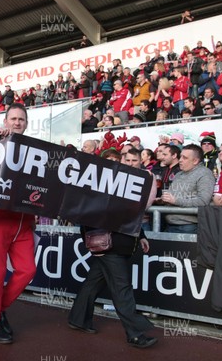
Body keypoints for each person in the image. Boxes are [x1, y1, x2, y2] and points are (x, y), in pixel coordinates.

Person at [68, 149, 158, 349]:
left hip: (121, 243)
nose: (130, 163)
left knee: (93, 282)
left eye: (134, 160)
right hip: (107, 245)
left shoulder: (127, 183)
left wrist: (141, 235)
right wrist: (92, 242)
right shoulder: (92, 184)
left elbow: (132, 216)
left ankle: (78, 319)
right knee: (122, 288)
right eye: (127, 160)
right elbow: (85, 214)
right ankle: (135, 333)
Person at [0, 103, 37, 344]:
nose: (16, 122)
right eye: (12, 118)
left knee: (28, 270)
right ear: (5, 122)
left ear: (26, 123)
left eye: (21, 119)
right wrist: (0, 145)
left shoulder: (36, 149)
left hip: (24, 221)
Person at [161, 144, 215, 233]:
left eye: (184, 158)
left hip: (189, 227)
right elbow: (174, 197)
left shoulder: (205, 174)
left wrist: (176, 201)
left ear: (195, 161)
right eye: (180, 156)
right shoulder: (178, 174)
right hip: (170, 225)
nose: (180, 160)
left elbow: (203, 201)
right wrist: (162, 200)